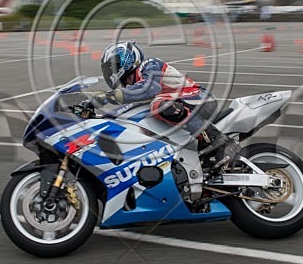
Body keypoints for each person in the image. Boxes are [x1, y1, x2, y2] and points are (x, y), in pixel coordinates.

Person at [92, 41, 239, 172]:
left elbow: (150, 88)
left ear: (126, 58)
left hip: (199, 98)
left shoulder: (149, 64)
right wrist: (102, 116)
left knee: (159, 105)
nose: (110, 71)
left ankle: (220, 141)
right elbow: (127, 108)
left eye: (113, 65)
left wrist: (110, 96)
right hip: (183, 105)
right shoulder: (134, 87)